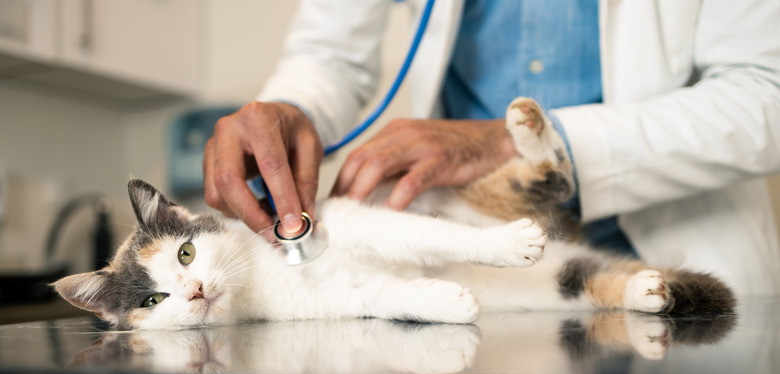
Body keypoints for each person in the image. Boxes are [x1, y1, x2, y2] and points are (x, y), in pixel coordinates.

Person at [203, 0, 780, 295]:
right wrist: (290, 108)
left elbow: (766, 93)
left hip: (667, 262)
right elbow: (328, 56)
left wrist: (516, 145)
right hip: (467, 271)